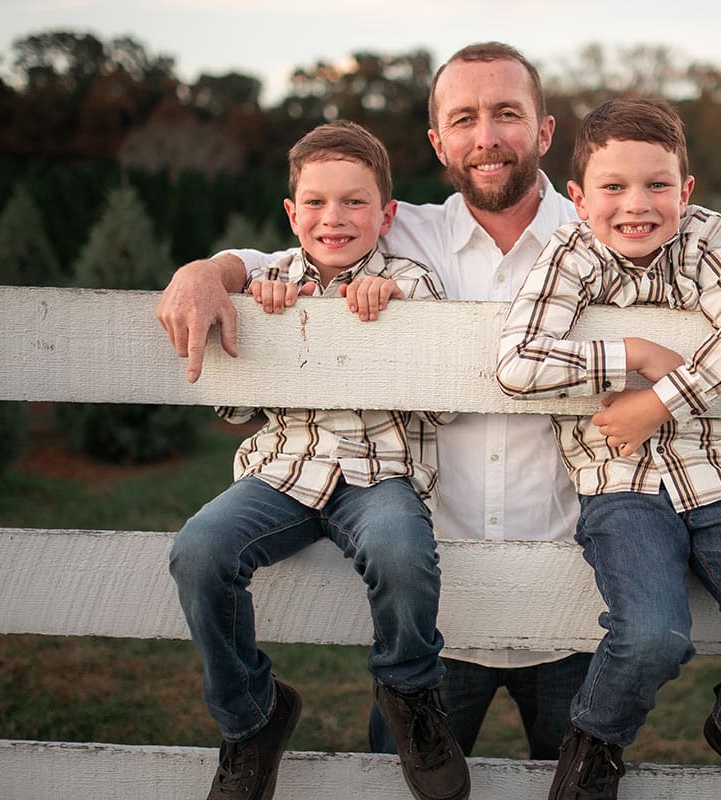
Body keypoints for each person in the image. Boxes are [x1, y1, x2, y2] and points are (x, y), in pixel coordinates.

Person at [156, 42, 721, 763]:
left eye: (507, 114)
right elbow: (285, 259)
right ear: (438, 141)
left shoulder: (598, 225)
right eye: (465, 118)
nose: (487, 136)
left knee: (568, 774)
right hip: (443, 589)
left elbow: (714, 257)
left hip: (575, 583)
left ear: (544, 133)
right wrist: (208, 269)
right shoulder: (401, 230)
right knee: (401, 777)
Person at [495, 97, 721, 800]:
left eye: (657, 186)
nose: (635, 205)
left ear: (685, 191)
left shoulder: (713, 240)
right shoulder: (568, 253)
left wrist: (659, 400)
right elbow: (518, 365)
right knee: (652, 634)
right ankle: (593, 744)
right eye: (613, 188)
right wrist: (634, 353)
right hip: (620, 486)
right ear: (581, 199)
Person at [168, 121, 469, 800]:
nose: (334, 218)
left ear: (386, 214)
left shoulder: (413, 283)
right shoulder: (267, 280)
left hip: (378, 473)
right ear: (291, 212)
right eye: (316, 203)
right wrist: (267, 322)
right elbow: (234, 411)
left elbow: (448, 405)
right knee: (199, 550)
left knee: (399, 550)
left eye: (355, 202)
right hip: (285, 471)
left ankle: (410, 692)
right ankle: (251, 715)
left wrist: (397, 317)